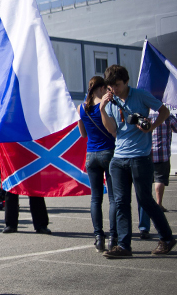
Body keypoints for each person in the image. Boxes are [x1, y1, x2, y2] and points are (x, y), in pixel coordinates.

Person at [99, 65, 176, 257]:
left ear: (126, 82)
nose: (114, 89)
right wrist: (102, 108)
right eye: (111, 86)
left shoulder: (140, 95)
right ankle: (124, 246)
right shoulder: (110, 101)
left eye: (117, 85)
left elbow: (164, 111)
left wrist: (152, 127)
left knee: (145, 200)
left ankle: (167, 237)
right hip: (118, 158)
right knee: (121, 202)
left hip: (140, 157)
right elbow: (112, 129)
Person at [77, 76, 117, 252]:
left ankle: (98, 236)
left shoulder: (81, 107)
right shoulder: (106, 104)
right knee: (114, 198)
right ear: (101, 88)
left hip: (91, 155)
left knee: (96, 199)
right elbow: (113, 129)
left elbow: (83, 135)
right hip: (108, 152)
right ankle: (113, 237)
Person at [149, 108, 176, 211]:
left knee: (147, 180)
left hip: (147, 152)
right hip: (162, 153)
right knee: (160, 179)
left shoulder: (146, 113)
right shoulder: (167, 115)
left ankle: (147, 203)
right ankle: (159, 203)